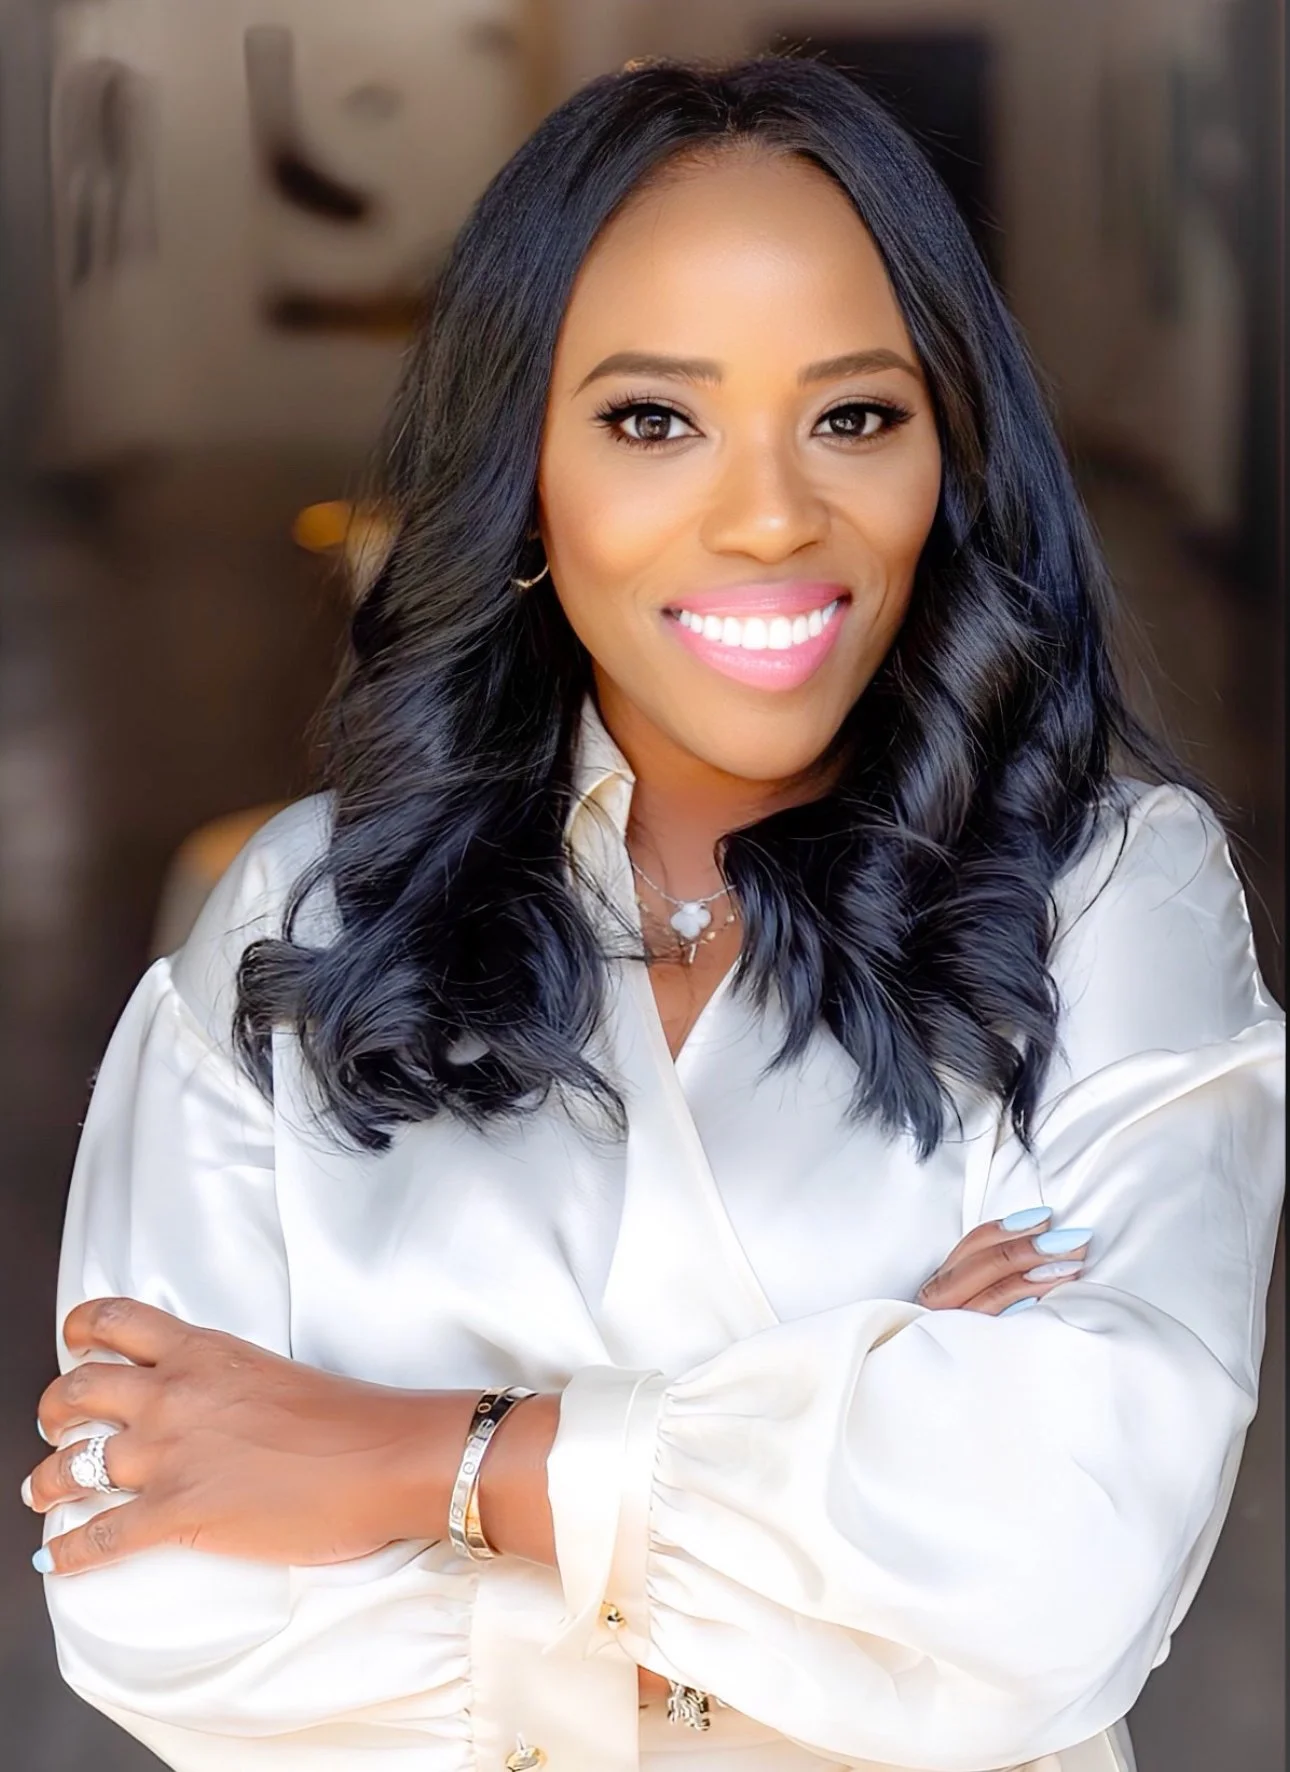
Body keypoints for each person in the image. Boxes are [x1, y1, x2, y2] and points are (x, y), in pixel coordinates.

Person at [27, 57, 1284, 1772]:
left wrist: (416, 1460)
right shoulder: (301, 914)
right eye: (649, 419)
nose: (770, 512)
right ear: (520, 468)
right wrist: (846, 1473)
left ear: (951, 454)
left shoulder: (1107, 894)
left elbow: (1061, 1568)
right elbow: (147, 1598)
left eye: (855, 415)